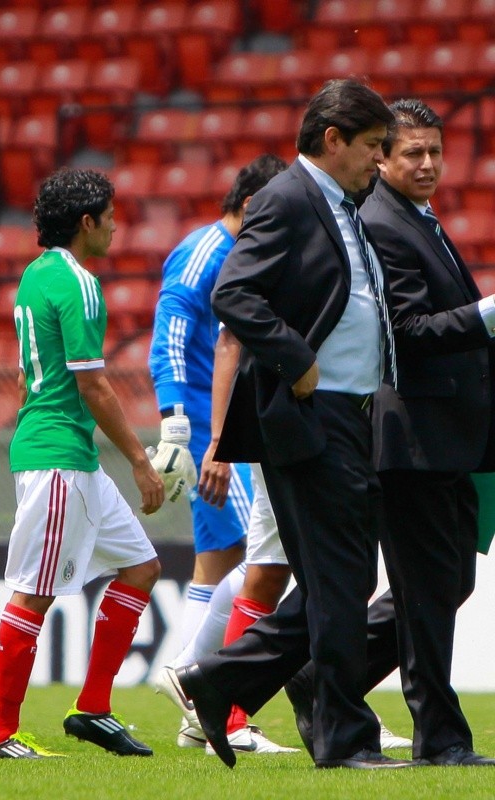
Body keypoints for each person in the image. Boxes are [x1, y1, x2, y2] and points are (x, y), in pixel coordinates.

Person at [175, 78, 417, 770]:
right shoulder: (287, 198)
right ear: (333, 140)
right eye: (373, 147)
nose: (381, 160)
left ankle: (218, 680)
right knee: (339, 582)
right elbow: (233, 292)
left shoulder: (343, 200)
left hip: (349, 412)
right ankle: (342, 739)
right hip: (314, 414)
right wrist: (296, 359)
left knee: (329, 580)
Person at [0, 167, 164, 759]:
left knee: (140, 566)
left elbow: (28, 368)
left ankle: (93, 708)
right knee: (34, 591)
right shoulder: (80, 283)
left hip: (65, 452)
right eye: (109, 215)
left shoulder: (34, 276)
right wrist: (140, 459)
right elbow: (94, 385)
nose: (115, 225)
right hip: (59, 454)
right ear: (87, 222)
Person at [357, 98, 495, 766]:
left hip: (445, 434)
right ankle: (439, 739)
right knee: (431, 590)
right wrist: (486, 316)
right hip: (410, 433)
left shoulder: (414, 216)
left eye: (435, 151)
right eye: (412, 152)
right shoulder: (383, 222)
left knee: (444, 585)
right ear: (380, 156)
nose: (428, 164)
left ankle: (327, 679)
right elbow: (406, 334)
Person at [148, 155, 296, 754]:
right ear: (257, 206)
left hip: (222, 428)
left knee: (219, 559)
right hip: (218, 433)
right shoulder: (210, 251)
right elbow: (172, 337)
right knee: (262, 557)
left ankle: (191, 698)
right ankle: (195, 678)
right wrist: (181, 431)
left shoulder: (223, 250)